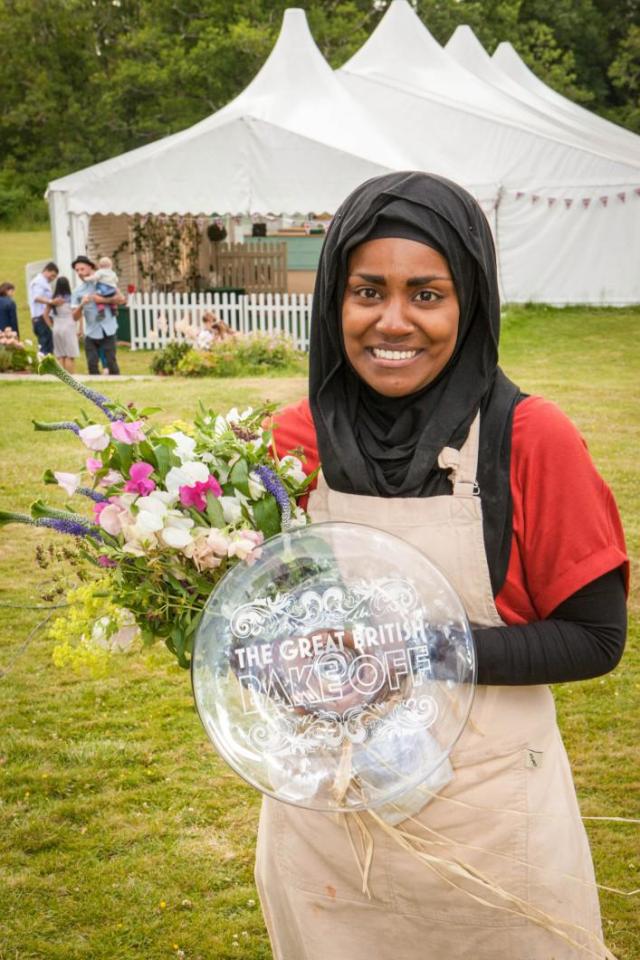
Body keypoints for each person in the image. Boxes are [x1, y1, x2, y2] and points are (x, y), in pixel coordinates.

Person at [256, 172, 628, 960]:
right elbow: (266, 617)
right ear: (333, 301)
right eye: (367, 291)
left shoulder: (530, 439)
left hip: (491, 831)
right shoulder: (291, 443)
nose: (393, 321)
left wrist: (414, 649)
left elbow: (595, 639)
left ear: (472, 304)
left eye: (427, 294)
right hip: (327, 831)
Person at [71, 255, 123, 375]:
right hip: (91, 332)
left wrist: (102, 300)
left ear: (90, 267)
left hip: (109, 329)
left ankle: (118, 385)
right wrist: (81, 305)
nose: (79, 272)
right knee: (92, 363)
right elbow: (74, 317)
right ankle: (95, 390)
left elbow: (121, 299)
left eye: (82, 269)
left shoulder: (105, 282)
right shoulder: (77, 291)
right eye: (77, 270)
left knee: (111, 362)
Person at [44, 276, 80, 373]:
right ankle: (70, 378)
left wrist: (51, 326)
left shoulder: (54, 300)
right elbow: (76, 314)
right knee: (69, 355)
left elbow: (45, 315)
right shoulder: (71, 298)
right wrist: (80, 329)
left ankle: (61, 378)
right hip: (69, 326)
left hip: (57, 326)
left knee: (60, 355)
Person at [28, 261, 60, 355]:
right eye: (52, 275)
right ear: (46, 270)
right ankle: (43, 368)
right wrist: (51, 302)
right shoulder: (39, 281)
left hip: (43, 318)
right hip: (40, 318)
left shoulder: (44, 282)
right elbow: (37, 297)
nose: (52, 278)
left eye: (54, 277)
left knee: (49, 346)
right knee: (45, 348)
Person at [86, 256, 119, 321]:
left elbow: (95, 277)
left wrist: (87, 278)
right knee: (112, 298)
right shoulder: (113, 273)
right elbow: (116, 280)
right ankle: (114, 309)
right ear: (110, 265)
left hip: (103, 290)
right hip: (112, 290)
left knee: (98, 298)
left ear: (100, 266)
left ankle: (101, 312)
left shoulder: (100, 272)